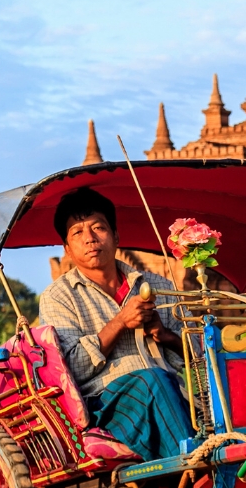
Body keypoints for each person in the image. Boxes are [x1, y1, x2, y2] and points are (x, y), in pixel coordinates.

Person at [38, 187, 192, 462]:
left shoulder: (158, 286)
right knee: (152, 380)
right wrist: (120, 322)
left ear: (116, 236)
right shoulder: (58, 297)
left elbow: (200, 354)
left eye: (98, 228)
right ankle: (196, 467)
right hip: (104, 404)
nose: (90, 238)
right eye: (77, 232)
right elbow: (70, 370)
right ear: (67, 250)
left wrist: (164, 335)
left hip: (170, 392)